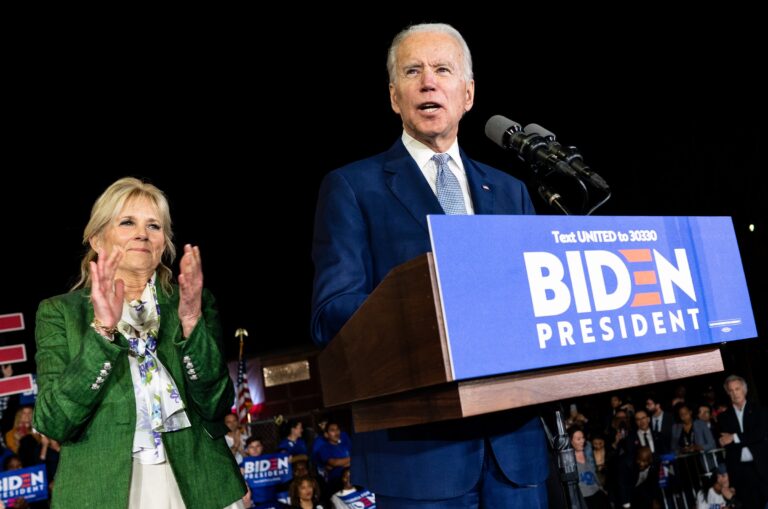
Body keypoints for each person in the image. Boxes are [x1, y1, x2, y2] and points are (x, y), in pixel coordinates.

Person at [311, 22, 547, 507]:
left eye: (442, 69)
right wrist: (432, 312)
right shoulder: (353, 187)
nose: (428, 81)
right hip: (419, 456)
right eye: (412, 71)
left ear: (468, 93)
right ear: (395, 97)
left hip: (514, 453)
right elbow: (331, 311)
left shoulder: (511, 191)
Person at [32, 177, 247, 508]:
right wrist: (102, 331)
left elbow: (217, 405)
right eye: (127, 222)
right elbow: (53, 422)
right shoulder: (59, 312)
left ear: (164, 243)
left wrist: (191, 323)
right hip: (102, 490)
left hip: (199, 484)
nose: (142, 234)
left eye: (154, 226)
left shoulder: (193, 302)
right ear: (97, 239)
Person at [717, 375, 768, 509]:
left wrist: (734, 438)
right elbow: (726, 443)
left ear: (744, 390)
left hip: (762, 468)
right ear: (728, 393)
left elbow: (759, 434)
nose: (735, 393)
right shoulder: (724, 417)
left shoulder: (759, 410)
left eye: (737, 389)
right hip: (741, 472)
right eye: (731, 390)